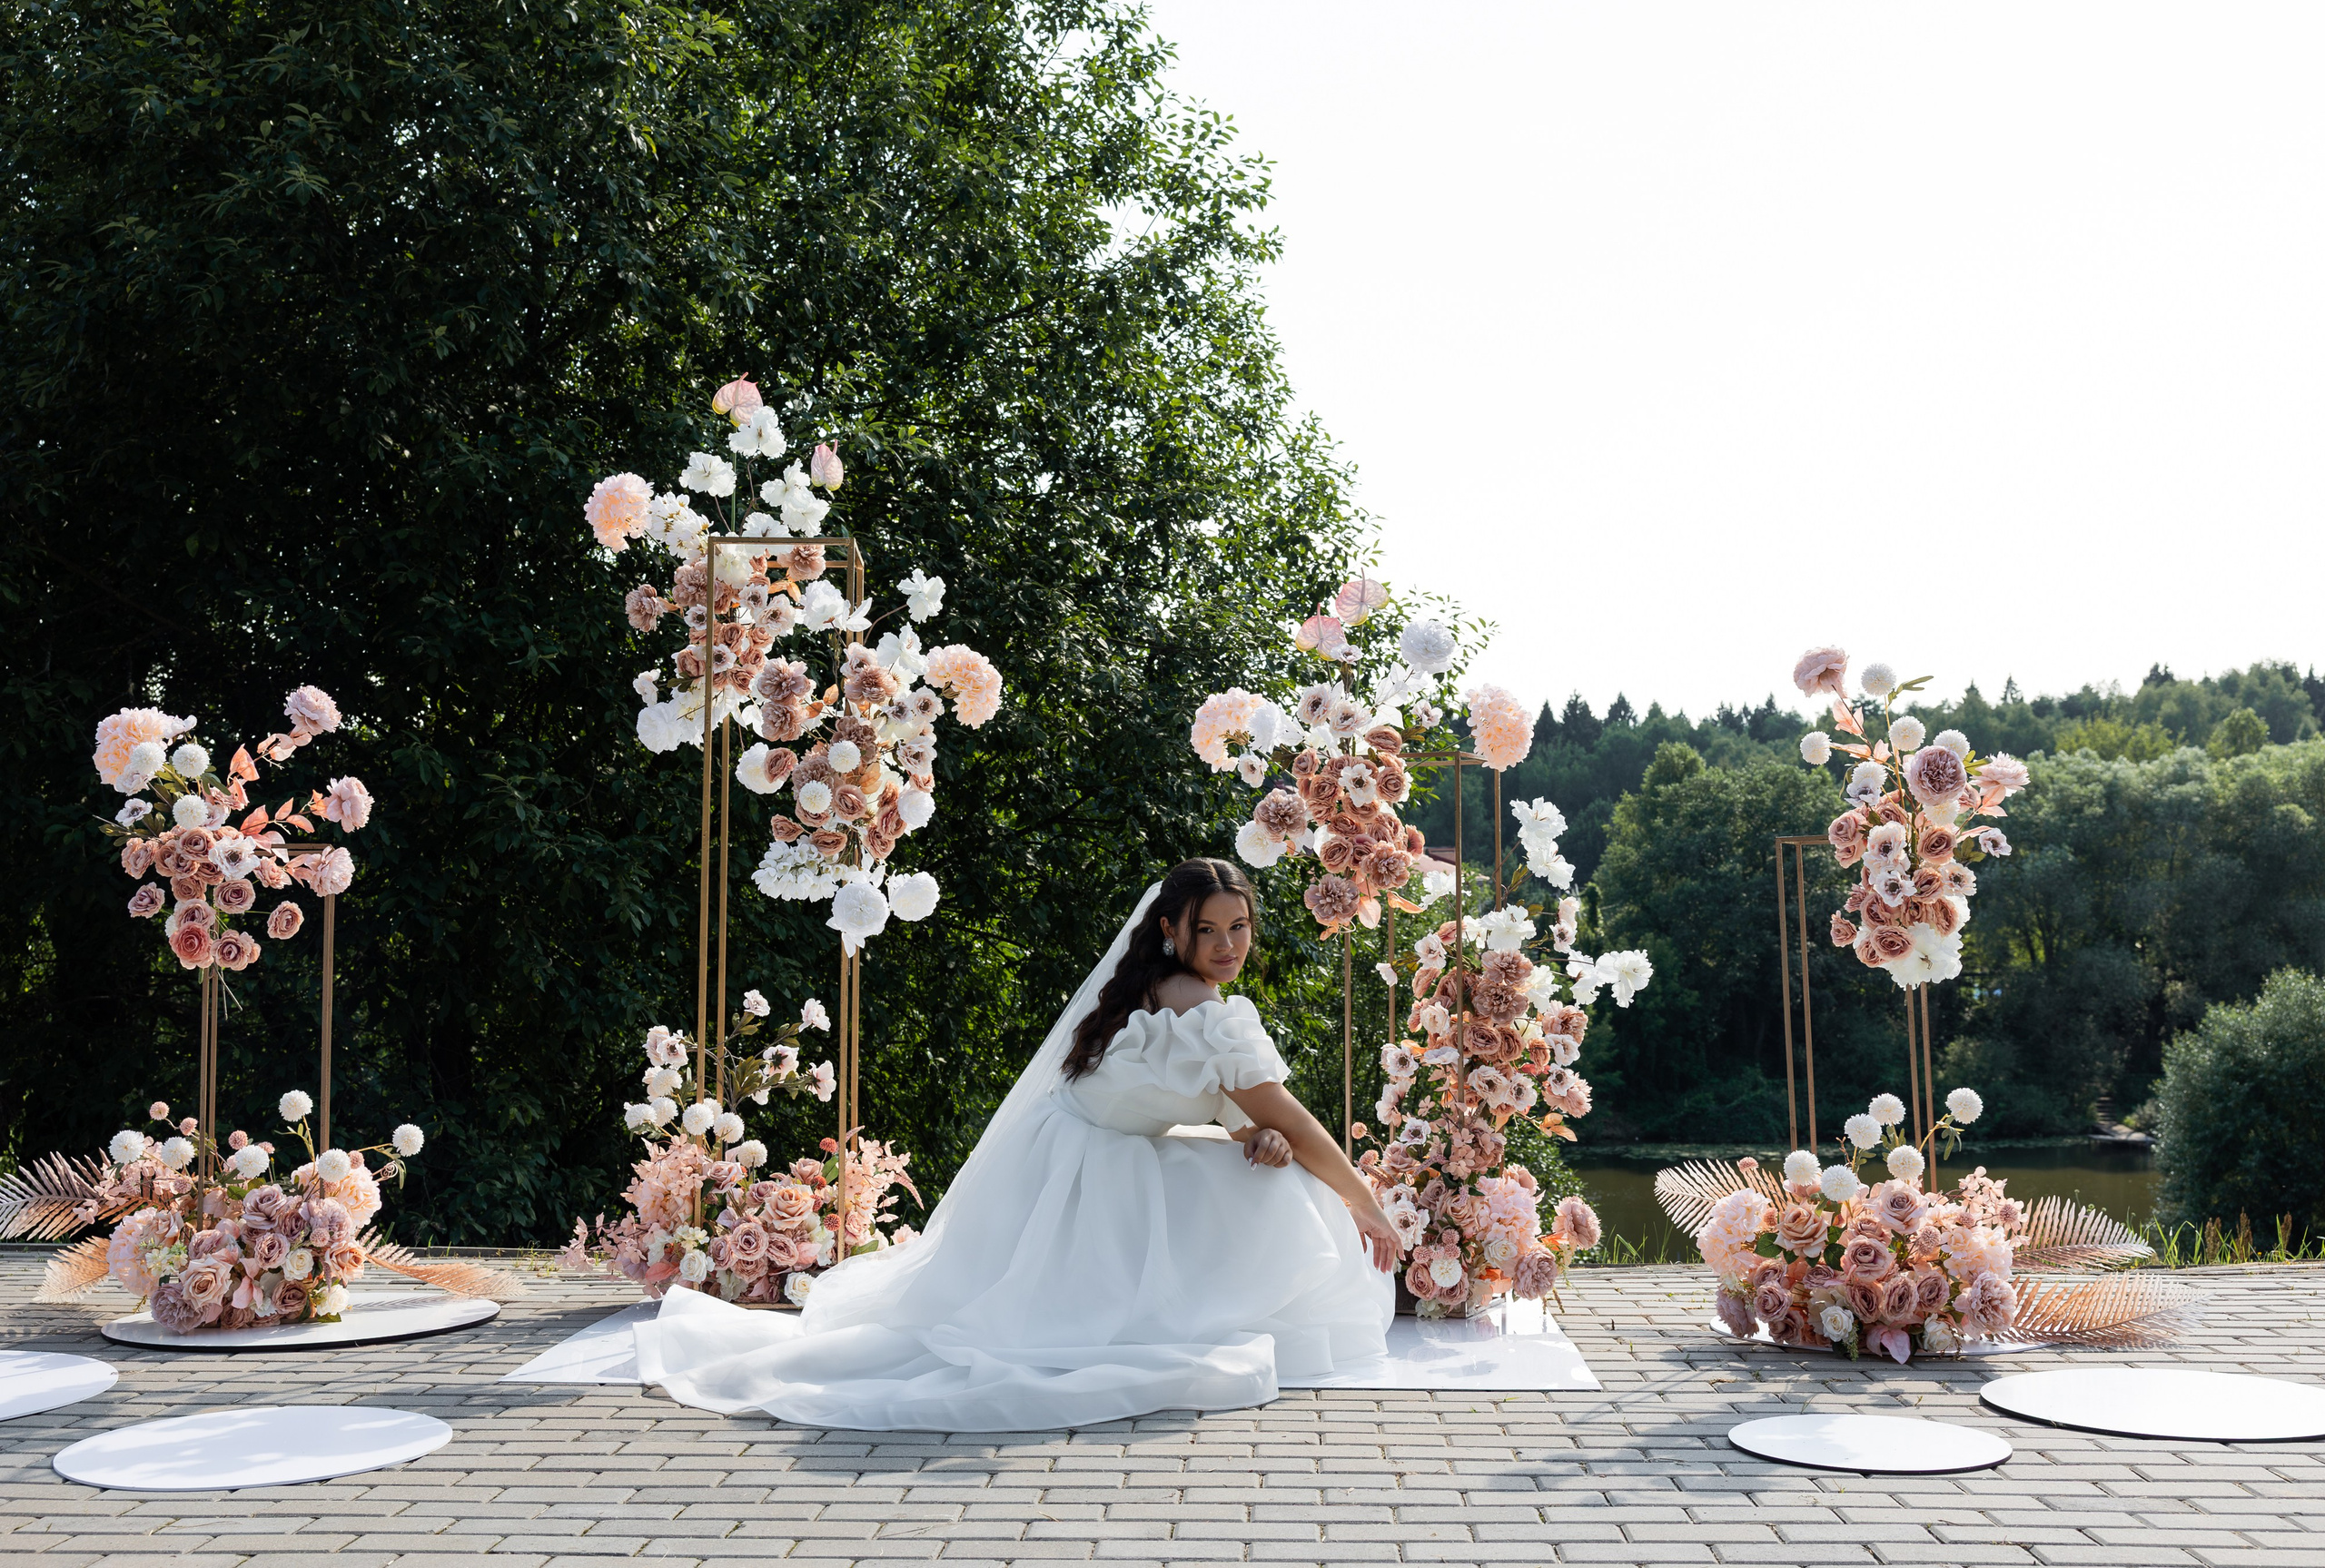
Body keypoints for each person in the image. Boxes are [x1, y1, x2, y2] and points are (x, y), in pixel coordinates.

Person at [632, 857, 1400, 1431]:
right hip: (1088, 1174)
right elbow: (1292, 1118)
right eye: (1208, 929)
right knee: (1299, 1189)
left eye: (1239, 926)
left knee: (1251, 1169)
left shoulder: (1154, 988)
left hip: (1059, 1155)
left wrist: (1256, 1133)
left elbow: (1226, 1107)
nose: (1228, 943)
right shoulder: (1202, 1006)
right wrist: (1363, 1200)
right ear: (1171, 930)